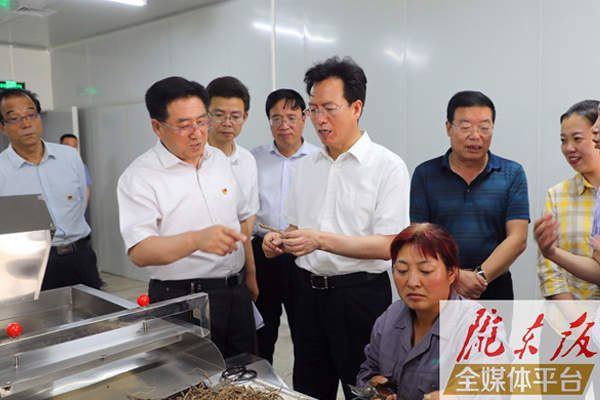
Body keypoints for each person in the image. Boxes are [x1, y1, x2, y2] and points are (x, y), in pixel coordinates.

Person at [262, 56, 410, 400]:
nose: (319, 119)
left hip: (359, 297)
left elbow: (389, 245)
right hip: (307, 295)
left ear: (356, 108)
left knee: (365, 391)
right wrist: (279, 241)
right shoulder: (308, 165)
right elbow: (295, 227)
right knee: (310, 387)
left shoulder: (387, 166)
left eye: (329, 109)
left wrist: (320, 240)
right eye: (313, 109)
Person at [116, 76, 257, 359]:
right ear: (157, 126)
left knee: (246, 371)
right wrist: (196, 240)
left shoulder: (218, 160)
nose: (197, 133)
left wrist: (250, 274)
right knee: (193, 375)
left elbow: (240, 219)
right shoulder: (140, 176)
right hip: (183, 299)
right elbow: (140, 251)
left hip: (236, 293)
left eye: (202, 121)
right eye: (184, 125)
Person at [410, 90, 529, 300]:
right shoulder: (425, 174)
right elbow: (420, 237)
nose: (475, 135)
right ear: (449, 127)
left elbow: (517, 238)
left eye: (484, 127)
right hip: (439, 287)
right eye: (465, 127)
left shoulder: (512, 173)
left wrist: (479, 277)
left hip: (494, 287)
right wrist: (455, 277)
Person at [0, 88, 101, 290]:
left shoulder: (69, 157)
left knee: (93, 309)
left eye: (31, 114)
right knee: (37, 312)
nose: (26, 123)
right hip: (28, 265)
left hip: (80, 257)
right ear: (3, 127)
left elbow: (80, 202)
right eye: (15, 118)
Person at [250, 88, 318, 364]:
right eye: (276, 118)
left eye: (291, 117)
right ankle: (258, 383)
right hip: (263, 252)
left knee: (306, 331)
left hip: (303, 253)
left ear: (304, 118)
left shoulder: (318, 159)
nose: (284, 125)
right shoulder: (253, 159)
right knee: (262, 332)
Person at [356, 223, 460, 400]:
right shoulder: (390, 318)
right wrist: (377, 390)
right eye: (402, 270)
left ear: (451, 273)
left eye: (425, 271)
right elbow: (368, 371)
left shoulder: (478, 330)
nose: (412, 282)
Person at [535, 100, 600, 300]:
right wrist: (576, 317)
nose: (569, 148)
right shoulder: (557, 195)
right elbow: (550, 272)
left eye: (577, 138)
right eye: (563, 140)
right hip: (570, 314)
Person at [60, 133, 91, 208]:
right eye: (68, 145)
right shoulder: (54, 165)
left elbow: (86, 188)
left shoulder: (81, 166)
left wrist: (84, 207)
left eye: (75, 145)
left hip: (76, 206)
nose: (72, 148)